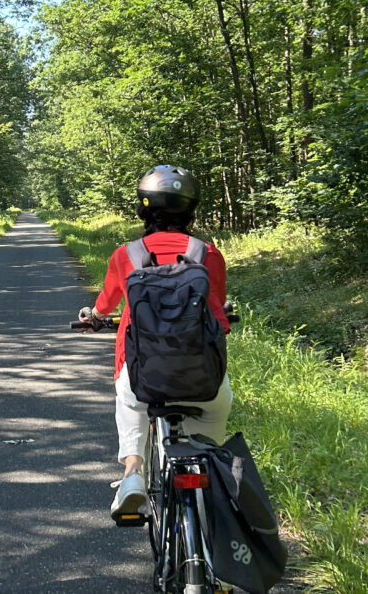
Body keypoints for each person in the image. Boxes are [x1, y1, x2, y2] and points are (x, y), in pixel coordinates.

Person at [79, 165, 232, 522]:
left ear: (143, 209)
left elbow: (105, 304)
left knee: (131, 407)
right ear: (191, 210)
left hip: (142, 376)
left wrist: (96, 317)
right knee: (208, 436)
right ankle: (209, 490)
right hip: (203, 381)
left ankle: (133, 474)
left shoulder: (127, 255)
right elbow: (217, 315)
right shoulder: (206, 253)